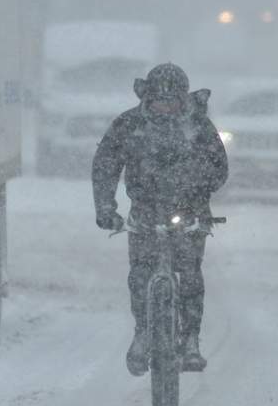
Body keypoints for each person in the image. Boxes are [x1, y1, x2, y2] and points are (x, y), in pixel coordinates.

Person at [92, 62, 228, 376]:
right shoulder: (129, 125)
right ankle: (142, 332)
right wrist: (105, 208)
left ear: (183, 98)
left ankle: (190, 338)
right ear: (147, 97)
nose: (164, 106)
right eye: (158, 100)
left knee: (190, 273)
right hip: (145, 212)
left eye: (172, 100)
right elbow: (106, 165)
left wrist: (197, 189)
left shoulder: (199, 125)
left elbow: (219, 167)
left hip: (189, 211)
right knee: (140, 274)